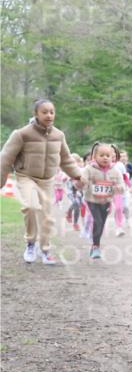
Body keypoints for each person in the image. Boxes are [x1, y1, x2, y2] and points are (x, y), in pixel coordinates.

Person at [0, 98, 84, 265]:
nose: (49, 115)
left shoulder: (59, 135)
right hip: (26, 177)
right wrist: (1, 179)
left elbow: (66, 159)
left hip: (47, 181)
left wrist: (78, 176)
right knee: (31, 207)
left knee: (46, 216)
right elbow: (5, 158)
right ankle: (30, 244)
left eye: (52, 112)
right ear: (36, 114)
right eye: (44, 112)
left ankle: (45, 250)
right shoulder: (22, 134)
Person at [80, 142, 127, 259]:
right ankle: (96, 247)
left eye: (108, 155)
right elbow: (82, 180)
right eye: (102, 155)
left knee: (101, 224)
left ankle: (95, 243)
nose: (105, 158)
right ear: (94, 157)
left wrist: (117, 188)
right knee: (98, 221)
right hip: (92, 200)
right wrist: (83, 183)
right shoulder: (89, 169)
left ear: (112, 157)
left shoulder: (115, 171)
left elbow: (122, 186)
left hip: (106, 201)